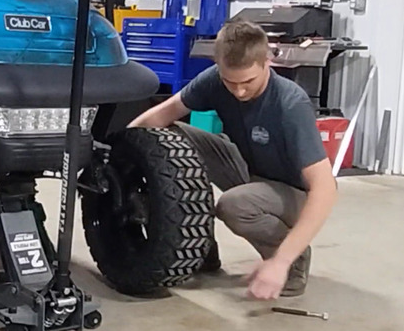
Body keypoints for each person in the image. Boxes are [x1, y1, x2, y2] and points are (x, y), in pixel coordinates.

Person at [129, 20, 338, 299]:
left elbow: (325, 190)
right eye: (231, 82)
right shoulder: (215, 80)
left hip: (294, 193)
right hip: (249, 169)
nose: (239, 91)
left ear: (267, 62)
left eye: (248, 82)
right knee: (170, 136)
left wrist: (281, 261)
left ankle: (291, 263)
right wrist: (116, 151)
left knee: (235, 206)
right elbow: (161, 116)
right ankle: (198, 245)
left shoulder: (290, 105)